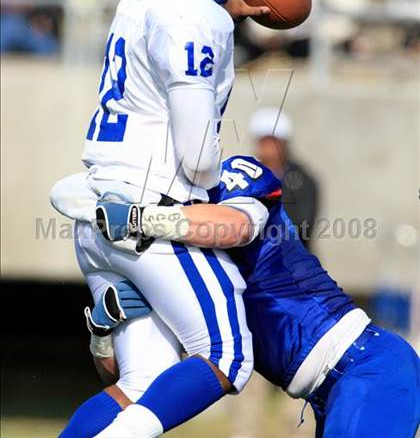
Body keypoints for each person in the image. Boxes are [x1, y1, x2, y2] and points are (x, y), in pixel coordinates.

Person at [51, 0, 270, 438]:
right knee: (227, 353)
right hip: (153, 216)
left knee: (143, 382)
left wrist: (221, 8)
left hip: (99, 213)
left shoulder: (138, 1)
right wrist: (219, 189)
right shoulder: (195, 14)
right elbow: (197, 160)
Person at [87, 154, 420, 438]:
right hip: (324, 388)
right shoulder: (161, 253)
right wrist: (101, 334)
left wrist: (140, 219)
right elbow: (136, 381)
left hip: (364, 362)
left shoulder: (227, 182)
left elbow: (236, 226)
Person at [249, 107, 319, 250]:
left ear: (284, 143)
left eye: (274, 141)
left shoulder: (302, 181)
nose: (269, 148)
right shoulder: (246, 176)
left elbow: (302, 224)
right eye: (265, 141)